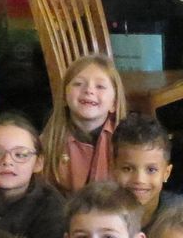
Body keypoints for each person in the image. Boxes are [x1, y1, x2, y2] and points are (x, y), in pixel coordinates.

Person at [39, 55, 128, 192]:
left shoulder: (126, 141)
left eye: (100, 86)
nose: (89, 90)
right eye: (78, 84)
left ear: (114, 103)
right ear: (63, 96)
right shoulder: (48, 142)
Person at [112, 114, 174, 228]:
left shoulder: (180, 220)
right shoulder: (99, 216)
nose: (139, 180)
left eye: (151, 170)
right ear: (114, 168)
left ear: (166, 173)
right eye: (128, 169)